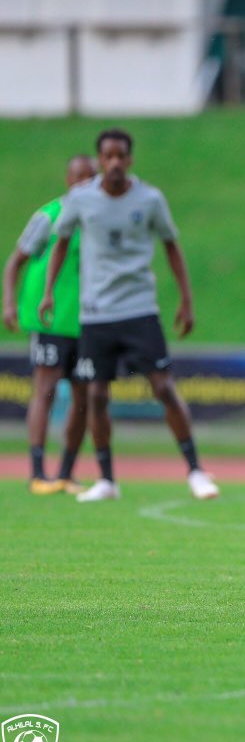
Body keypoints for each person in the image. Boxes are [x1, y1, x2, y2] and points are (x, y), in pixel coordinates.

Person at [39, 128, 219, 503]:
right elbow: (61, 243)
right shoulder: (81, 199)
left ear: (130, 160)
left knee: (163, 387)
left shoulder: (150, 199)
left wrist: (186, 301)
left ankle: (196, 471)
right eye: (109, 157)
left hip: (139, 309)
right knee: (96, 395)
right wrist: (48, 292)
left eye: (122, 156)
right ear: (100, 160)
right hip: (96, 313)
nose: (116, 163)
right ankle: (107, 479)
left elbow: (172, 246)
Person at [2, 156, 95, 495]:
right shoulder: (49, 216)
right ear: (67, 180)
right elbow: (16, 262)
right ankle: (38, 472)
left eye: (91, 177)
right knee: (46, 388)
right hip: (50, 317)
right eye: (78, 176)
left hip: (87, 320)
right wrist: (9, 303)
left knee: (84, 395)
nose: (84, 183)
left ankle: (67, 473)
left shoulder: (100, 219)